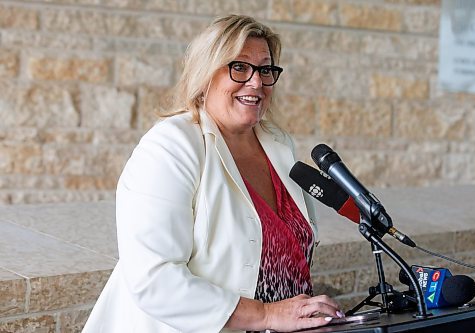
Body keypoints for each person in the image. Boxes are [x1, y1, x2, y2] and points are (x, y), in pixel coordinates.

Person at [82, 14, 344, 333]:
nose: (256, 82)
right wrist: (266, 314)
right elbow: (155, 279)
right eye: (239, 67)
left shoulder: (279, 145)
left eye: (265, 69)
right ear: (205, 74)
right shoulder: (171, 145)